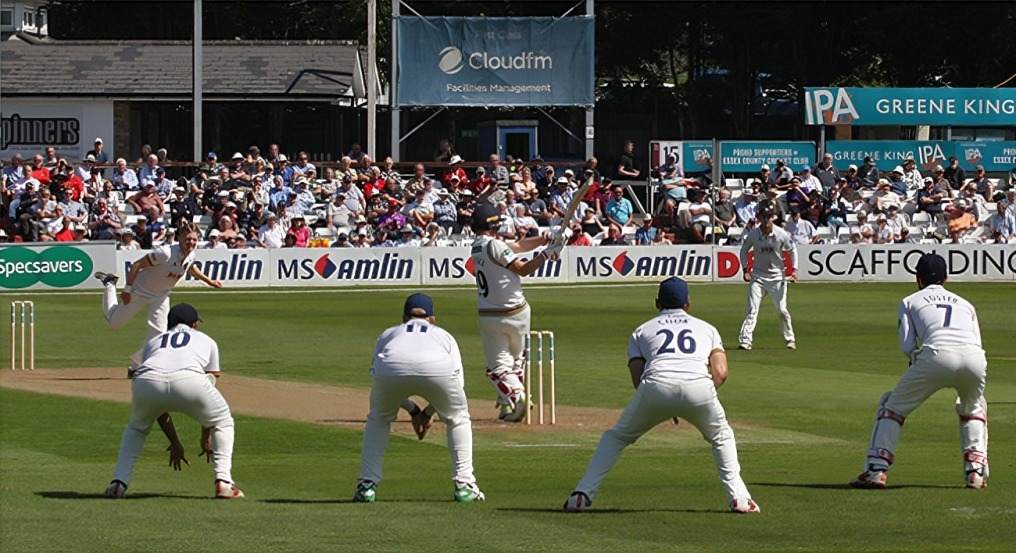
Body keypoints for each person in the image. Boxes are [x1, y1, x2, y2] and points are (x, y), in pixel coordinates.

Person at [563, 278, 760, 514]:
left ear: (657, 302)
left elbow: (638, 378)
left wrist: (662, 404)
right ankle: (739, 499)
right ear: (688, 303)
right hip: (700, 387)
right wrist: (695, 399)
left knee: (615, 438)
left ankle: (581, 495)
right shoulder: (707, 329)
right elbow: (721, 372)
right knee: (721, 436)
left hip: (655, 387)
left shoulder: (641, 330)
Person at [850, 254, 989, 490]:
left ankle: (876, 470)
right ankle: (975, 472)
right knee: (974, 407)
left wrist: (916, 358)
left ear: (918, 278)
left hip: (935, 355)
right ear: (946, 278)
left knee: (892, 407)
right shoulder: (966, 304)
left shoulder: (910, 300)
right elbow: (976, 342)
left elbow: (906, 345)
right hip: (975, 359)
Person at [353, 294, 485, 503]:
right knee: (457, 418)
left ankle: (366, 486)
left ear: (405, 317)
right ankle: (464, 485)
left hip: (390, 369)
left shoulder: (389, 333)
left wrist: (413, 409)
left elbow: (378, 378)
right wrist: (430, 412)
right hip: (438, 369)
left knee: (378, 419)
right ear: (432, 318)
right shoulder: (444, 336)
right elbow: (457, 385)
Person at [103, 303, 244, 500]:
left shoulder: (154, 342)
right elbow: (210, 386)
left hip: (146, 381)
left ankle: (119, 483)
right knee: (223, 422)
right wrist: (205, 437)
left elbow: (159, 406)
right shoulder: (207, 340)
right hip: (189, 380)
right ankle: (223, 483)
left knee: (136, 429)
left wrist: (175, 442)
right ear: (194, 324)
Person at [469, 202, 563, 422]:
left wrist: (546, 238)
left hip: (491, 315)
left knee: (500, 367)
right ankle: (513, 399)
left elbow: (519, 245)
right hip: (518, 313)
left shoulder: (478, 246)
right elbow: (522, 268)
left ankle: (513, 399)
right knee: (514, 363)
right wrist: (547, 255)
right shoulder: (496, 245)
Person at [93, 223, 223, 374]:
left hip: (161, 295)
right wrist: (127, 290)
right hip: (140, 291)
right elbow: (137, 265)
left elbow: (191, 268)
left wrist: (209, 281)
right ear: (179, 238)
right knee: (114, 323)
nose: (191, 243)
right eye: (188, 239)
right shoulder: (165, 253)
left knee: (159, 334)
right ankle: (110, 284)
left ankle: (136, 366)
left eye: (194, 239)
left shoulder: (191, 254)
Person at [737, 210, 797, 350]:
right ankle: (745, 340)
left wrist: (794, 270)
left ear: (772, 218)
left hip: (777, 278)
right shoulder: (753, 234)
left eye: (768, 217)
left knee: (782, 310)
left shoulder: (781, 234)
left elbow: (792, 249)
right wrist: (746, 270)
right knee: (752, 309)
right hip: (758, 277)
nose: (765, 221)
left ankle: (790, 339)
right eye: (762, 218)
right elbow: (743, 250)